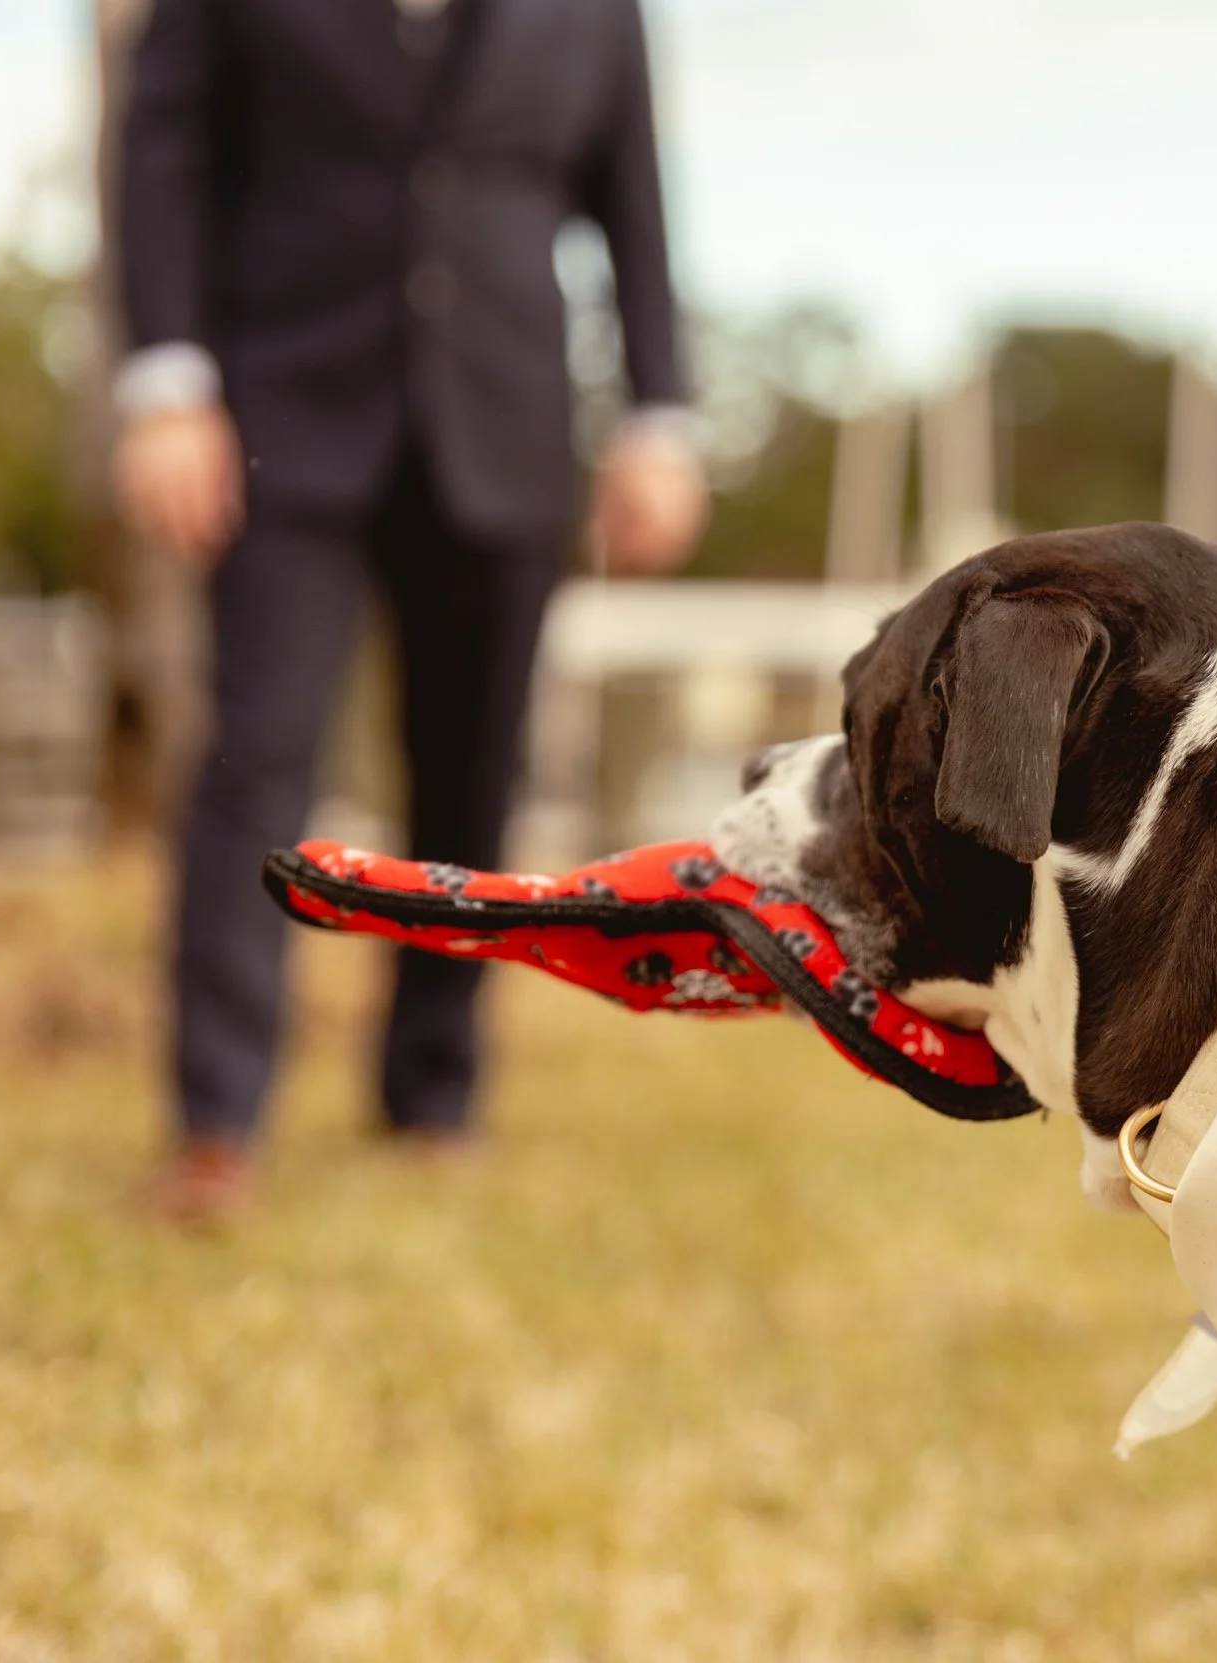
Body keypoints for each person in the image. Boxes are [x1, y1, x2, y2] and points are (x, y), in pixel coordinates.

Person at [112, 0, 705, 1220]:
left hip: (501, 422)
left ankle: (432, 1090)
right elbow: (162, 146)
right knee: (254, 760)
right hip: (279, 424)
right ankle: (217, 1117)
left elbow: (632, 194)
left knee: (471, 777)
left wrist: (659, 416)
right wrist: (166, 380)